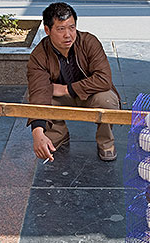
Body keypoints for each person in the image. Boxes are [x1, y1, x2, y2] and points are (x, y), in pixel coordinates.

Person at [27, 2, 121, 162]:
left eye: (72, 27)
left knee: (108, 100)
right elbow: (38, 93)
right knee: (42, 95)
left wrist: (66, 89)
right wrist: (37, 133)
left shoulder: (89, 42)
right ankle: (58, 133)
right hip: (59, 98)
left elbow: (104, 79)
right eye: (61, 29)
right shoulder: (39, 55)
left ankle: (106, 142)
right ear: (47, 30)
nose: (68, 35)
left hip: (90, 94)